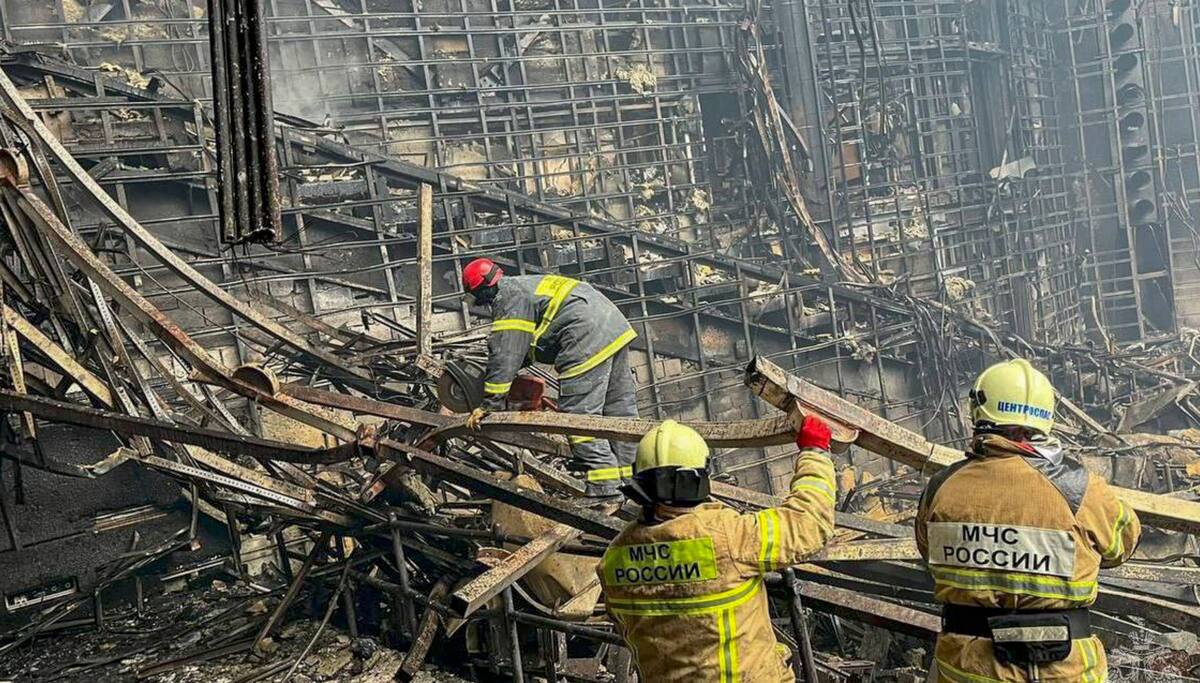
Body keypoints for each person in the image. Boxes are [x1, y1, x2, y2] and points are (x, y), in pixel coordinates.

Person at [916, 358, 1140, 682]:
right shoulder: (1079, 489)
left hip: (968, 669)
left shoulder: (940, 488)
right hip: (1066, 671)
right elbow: (1123, 545)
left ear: (980, 414)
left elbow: (928, 554)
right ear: (1041, 421)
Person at [597, 416, 836, 682]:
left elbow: (628, 627)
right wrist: (815, 452)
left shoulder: (613, 558)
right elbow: (808, 524)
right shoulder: (728, 537)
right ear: (698, 478)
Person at [460, 258, 639, 497]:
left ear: (483, 290)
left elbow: (508, 352)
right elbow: (525, 346)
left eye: (478, 298)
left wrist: (489, 405)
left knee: (579, 418)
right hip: (612, 325)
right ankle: (632, 487)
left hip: (585, 335)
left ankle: (605, 490)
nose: (482, 305)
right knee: (619, 414)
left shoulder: (508, 298)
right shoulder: (526, 287)